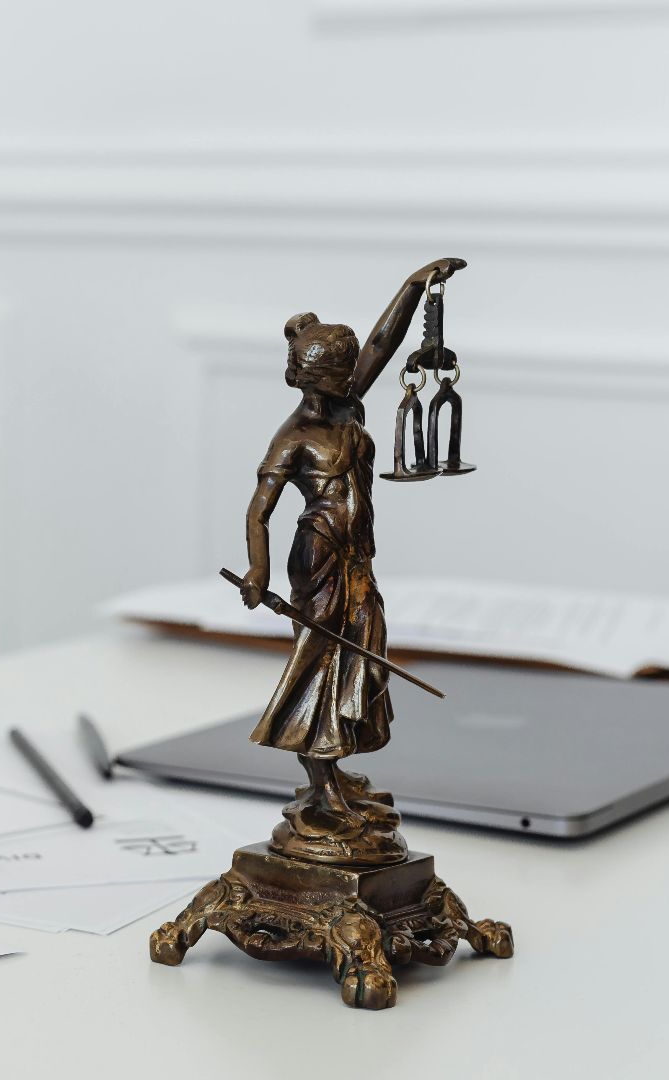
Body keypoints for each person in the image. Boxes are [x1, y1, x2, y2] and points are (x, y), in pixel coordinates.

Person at [237, 256, 465, 865]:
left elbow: (384, 345)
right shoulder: (293, 437)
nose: (357, 378)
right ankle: (321, 787)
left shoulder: (345, 404)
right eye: (346, 374)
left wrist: (413, 287)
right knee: (320, 665)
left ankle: (334, 775)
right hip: (317, 560)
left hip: (358, 560)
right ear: (319, 381)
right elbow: (259, 511)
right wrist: (257, 572)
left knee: (362, 660)